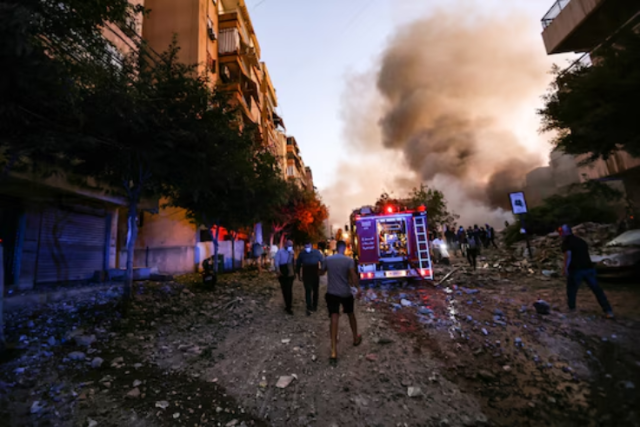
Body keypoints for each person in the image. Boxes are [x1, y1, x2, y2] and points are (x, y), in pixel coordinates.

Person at [560, 225, 614, 318]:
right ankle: (608, 310)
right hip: (589, 268)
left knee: (572, 290)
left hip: (576, 270)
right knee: (597, 290)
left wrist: (565, 269)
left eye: (561, 231)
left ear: (566, 232)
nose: (560, 234)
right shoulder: (581, 241)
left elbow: (568, 255)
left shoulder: (567, 242)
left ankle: (571, 308)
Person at [321, 240, 361, 365]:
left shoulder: (328, 260)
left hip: (332, 293)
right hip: (345, 293)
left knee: (334, 318)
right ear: (344, 248)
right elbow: (353, 276)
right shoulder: (349, 260)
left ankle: (333, 351)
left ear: (336, 248)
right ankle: (355, 337)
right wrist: (358, 289)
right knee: (350, 314)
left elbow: (322, 271)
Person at [296, 241, 325, 316]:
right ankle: (309, 306)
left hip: (315, 273)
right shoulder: (302, 254)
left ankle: (315, 305)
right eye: (306, 247)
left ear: (311, 246)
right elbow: (298, 265)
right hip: (306, 274)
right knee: (308, 290)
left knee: (316, 290)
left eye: (308, 247)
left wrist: (322, 270)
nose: (307, 249)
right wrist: (299, 275)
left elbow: (323, 261)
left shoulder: (317, 253)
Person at [275, 240, 295, 315]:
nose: (290, 247)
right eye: (289, 245)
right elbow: (276, 261)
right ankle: (287, 304)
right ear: (285, 245)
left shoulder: (292, 252)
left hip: (290, 271)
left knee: (289, 289)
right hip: (283, 271)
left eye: (291, 245)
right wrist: (278, 270)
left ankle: (289, 306)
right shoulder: (280, 252)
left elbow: (293, 262)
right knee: (284, 289)